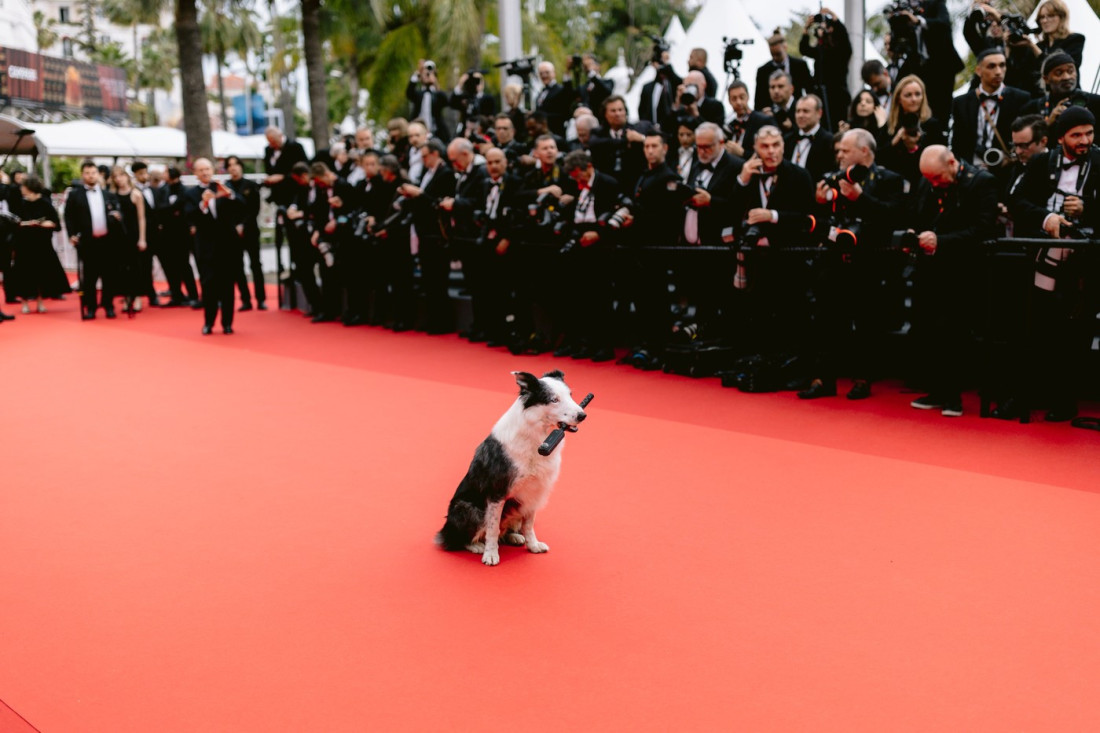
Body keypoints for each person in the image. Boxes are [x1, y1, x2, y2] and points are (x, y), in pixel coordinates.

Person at [1000, 107, 1098, 421]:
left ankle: (1064, 400)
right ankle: (1024, 396)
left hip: (1085, 263)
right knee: (1034, 328)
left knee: (1075, 334)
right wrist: (1047, 217)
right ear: (1060, 138)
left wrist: (1088, 209)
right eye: (1077, 135)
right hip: (1042, 255)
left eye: (1089, 133)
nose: (1085, 140)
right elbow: (1017, 200)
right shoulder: (1044, 161)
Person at [798, 129, 908, 400]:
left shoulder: (889, 179)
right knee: (825, 320)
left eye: (845, 151)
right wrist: (819, 202)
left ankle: (863, 379)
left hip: (870, 263)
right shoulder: (831, 178)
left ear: (865, 151)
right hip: (833, 260)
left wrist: (861, 198)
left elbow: (893, 216)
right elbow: (820, 221)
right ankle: (823, 379)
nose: (839, 155)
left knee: (866, 324)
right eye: (838, 151)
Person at [907, 145, 999, 417]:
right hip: (929, 269)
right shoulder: (928, 181)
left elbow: (983, 228)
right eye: (929, 179)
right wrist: (913, 234)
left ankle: (953, 396)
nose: (933, 183)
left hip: (964, 271)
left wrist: (942, 242)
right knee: (928, 330)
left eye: (936, 178)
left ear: (951, 162)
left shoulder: (982, 182)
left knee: (954, 333)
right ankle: (936, 390)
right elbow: (918, 212)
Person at [397, 138, 456, 333]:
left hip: (437, 234)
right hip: (423, 232)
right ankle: (434, 319)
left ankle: (443, 321)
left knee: (439, 280)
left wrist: (419, 194)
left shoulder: (446, 174)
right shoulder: (426, 173)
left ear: (435, 154)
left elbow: (437, 204)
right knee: (429, 280)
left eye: (424, 156)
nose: (422, 160)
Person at [948, 48, 1032, 170]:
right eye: (991, 66)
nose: (998, 72)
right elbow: (957, 143)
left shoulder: (1021, 99)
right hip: (970, 170)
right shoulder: (961, 102)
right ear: (978, 70)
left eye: (1002, 65)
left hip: (1004, 170)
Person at [188, 158, 243, 335]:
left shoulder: (223, 187)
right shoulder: (191, 194)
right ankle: (209, 322)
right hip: (205, 249)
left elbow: (242, 206)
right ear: (195, 173)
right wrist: (203, 204)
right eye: (201, 170)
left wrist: (230, 195)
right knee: (208, 287)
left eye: (208, 169)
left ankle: (227, 323)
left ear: (213, 170)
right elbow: (188, 216)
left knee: (227, 286)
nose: (205, 173)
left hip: (227, 247)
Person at [64, 160, 124, 320]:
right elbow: (68, 216)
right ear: (83, 175)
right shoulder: (75, 195)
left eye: (93, 173)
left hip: (107, 241)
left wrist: (118, 217)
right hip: (88, 242)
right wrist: (71, 234)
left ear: (98, 174)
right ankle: (90, 307)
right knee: (89, 278)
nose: (91, 176)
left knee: (109, 276)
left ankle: (108, 305)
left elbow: (118, 213)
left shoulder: (108, 195)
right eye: (87, 173)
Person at [9, 175, 67, 314]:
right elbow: (13, 222)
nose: (21, 189)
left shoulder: (45, 203)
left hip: (42, 244)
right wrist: (25, 224)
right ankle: (25, 302)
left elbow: (56, 224)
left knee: (41, 273)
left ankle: (40, 301)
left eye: (23, 186)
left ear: (30, 187)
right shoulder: (20, 203)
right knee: (24, 274)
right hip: (24, 244)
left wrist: (45, 224)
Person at [877, 75, 946, 187]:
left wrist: (914, 148)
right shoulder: (891, 125)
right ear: (899, 98)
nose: (913, 99)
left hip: (923, 184)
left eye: (917, 94)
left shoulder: (932, 125)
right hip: (894, 184)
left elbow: (939, 159)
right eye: (908, 95)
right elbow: (878, 157)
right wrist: (894, 142)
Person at [799, 8, 853, 131]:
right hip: (821, 95)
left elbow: (844, 37)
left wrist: (832, 15)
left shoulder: (841, 50)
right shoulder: (820, 51)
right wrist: (806, 29)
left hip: (838, 96)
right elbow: (804, 49)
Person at [224, 155, 266, 311]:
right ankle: (245, 299)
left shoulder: (251, 185)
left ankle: (261, 299)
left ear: (241, 166)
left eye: (236, 164)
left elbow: (254, 209)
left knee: (256, 264)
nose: (233, 168)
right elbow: (225, 210)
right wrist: (234, 225)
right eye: (230, 165)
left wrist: (243, 225)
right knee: (237, 267)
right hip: (232, 232)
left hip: (250, 230)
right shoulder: (226, 186)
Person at [156, 167, 201, 308]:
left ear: (172, 175)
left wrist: (171, 210)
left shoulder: (184, 190)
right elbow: (160, 208)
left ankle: (193, 295)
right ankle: (176, 295)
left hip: (182, 234)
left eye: (165, 173)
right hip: (167, 234)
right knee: (170, 266)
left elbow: (183, 209)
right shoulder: (163, 189)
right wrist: (171, 210)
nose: (163, 175)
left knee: (184, 265)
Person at [588, 95, 649, 194]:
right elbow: (596, 144)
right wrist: (625, 142)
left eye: (620, 110)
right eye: (613, 111)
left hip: (633, 183)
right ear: (605, 114)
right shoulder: (597, 133)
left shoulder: (637, 129)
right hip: (606, 185)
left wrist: (641, 138)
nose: (618, 114)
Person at [1019, 53, 1100, 127]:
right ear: (1046, 79)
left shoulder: (1095, 102)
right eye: (1059, 73)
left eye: (1070, 71)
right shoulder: (1032, 109)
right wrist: (1048, 123)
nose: (1066, 77)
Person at [108, 165, 149, 313]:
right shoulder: (112, 194)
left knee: (135, 267)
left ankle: (137, 297)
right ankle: (126, 298)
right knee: (121, 268)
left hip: (133, 234)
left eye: (121, 175)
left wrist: (142, 238)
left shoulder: (136, 194)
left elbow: (141, 218)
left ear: (127, 176)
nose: (119, 179)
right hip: (117, 237)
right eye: (115, 176)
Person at [755, 28, 813, 112]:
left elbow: (810, 91)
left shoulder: (800, 65)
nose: (775, 58)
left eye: (778, 54)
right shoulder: (763, 71)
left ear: (785, 47)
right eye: (772, 55)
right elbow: (759, 101)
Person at [785, 94, 836, 182]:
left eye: (806, 111)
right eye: (798, 111)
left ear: (819, 113)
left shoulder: (829, 141)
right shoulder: (787, 139)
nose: (800, 115)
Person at [724, 81, 775, 159]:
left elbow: (771, 153)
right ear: (729, 101)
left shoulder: (763, 121)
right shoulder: (728, 125)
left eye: (742, 97)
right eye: (734, 99)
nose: (738, 102)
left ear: (748, 97)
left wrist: (743, 153)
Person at [262, 126, 309, 209]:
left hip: (292, 191)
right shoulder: (268, 150)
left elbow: (304, 168)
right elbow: (268, 168)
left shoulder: (295, 147)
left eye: (274, 141)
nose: (272, 145)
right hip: (276, 193)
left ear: (280, 136)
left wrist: (282, 177)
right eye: (270, 142)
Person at [406, 60, 450, 141]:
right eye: (425, 75)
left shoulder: (438, 94)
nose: (427, 76)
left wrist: (435, 82)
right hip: (417, 129)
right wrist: (418, 74)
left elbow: (446, 101)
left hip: (436, 131)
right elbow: (409, 93)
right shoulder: (418, 94)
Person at [638, 55, 681, 131]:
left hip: (672, 129)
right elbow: (641, 111)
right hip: (651, 129)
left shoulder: (673, 85)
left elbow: (680, 83)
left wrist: (668, 65)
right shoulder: (647, 87)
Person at [534, 62, 573, 137]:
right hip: (541, 133)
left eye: (547, 72)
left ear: (554, 73)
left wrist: (567, 72)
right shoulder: (541, 92)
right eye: (541, 73)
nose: (544, 75)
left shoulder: (560, 90)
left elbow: (568, 94)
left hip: (556, 132)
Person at [765, 70, 798, 134]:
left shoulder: (802, 110)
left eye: (780, 86)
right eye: (772, 87)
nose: (776, 91)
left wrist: (792, 127)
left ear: (791, 89)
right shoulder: (767, 113)